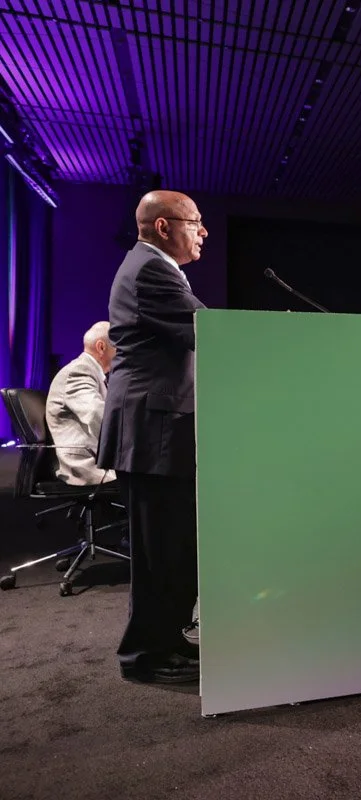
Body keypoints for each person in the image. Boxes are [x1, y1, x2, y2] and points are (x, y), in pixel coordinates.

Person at [97, 190, 207, 684]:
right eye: (195, 222)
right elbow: (207, 330)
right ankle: (144, 655)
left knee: (174, 542)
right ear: (164, 226)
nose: (203, 231)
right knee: (158, 547)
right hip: (153, 428)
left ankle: (167, 639)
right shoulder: (152, 269)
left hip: (161, 426)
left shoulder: (153, 266)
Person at [45, 321, 117, 486]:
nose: (121, 354)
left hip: (96, 458)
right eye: (118, 348)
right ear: (101, 347)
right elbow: (96, 414)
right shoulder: (79, 371)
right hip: (85, 466)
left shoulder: (90, 372)